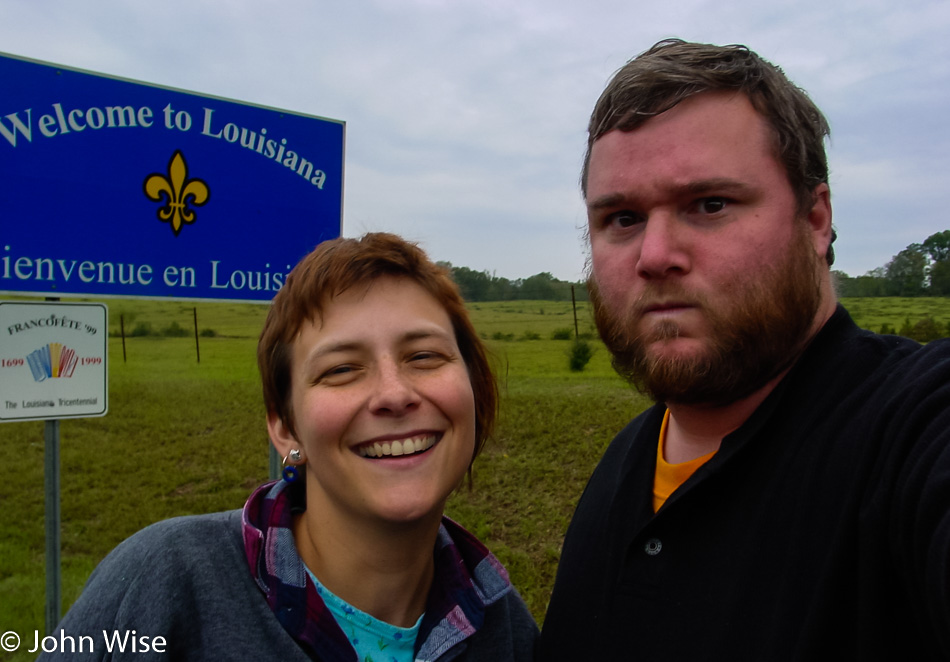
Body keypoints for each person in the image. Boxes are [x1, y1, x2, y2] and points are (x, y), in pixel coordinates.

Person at [539, 39, 950, 660]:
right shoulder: (622, 466)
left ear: (815, 220)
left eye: (709, 204)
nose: (654, 256)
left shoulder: (914, 428)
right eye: (622, 218)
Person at [41, 233, 538, 661]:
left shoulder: (503, 625)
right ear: (284, 427)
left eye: (425, 356)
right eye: (341, 369)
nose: (394, 394)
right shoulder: (165, 583)